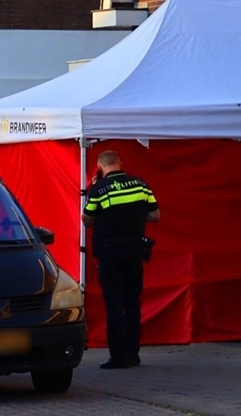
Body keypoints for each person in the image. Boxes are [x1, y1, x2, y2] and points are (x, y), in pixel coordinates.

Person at [82, 150, 159, 369]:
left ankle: (118, 356)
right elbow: (155, 215)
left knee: (114, 304)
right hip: (135, 251)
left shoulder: (99, 189)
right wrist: (133, 215)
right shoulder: (140, 185)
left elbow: (87, 220)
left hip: (110, 253)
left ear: (100, 167)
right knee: (132, 302)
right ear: (120, 163)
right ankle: (133, 354)